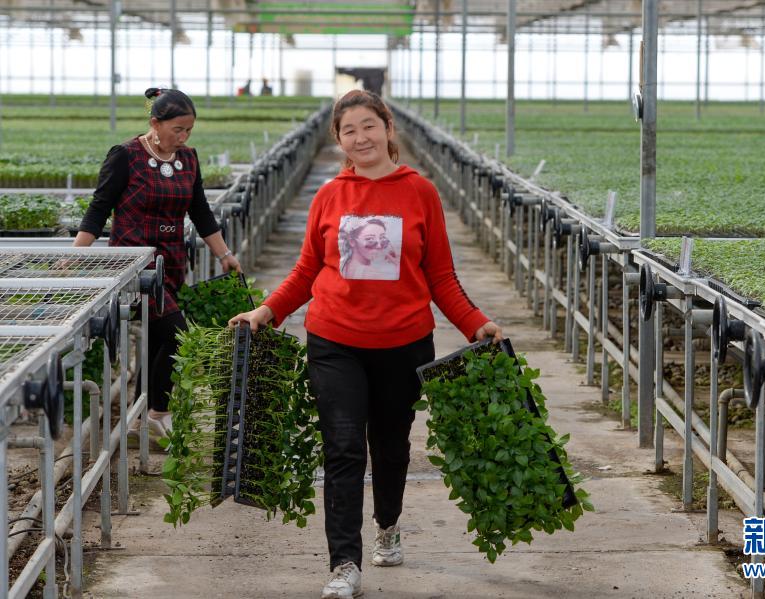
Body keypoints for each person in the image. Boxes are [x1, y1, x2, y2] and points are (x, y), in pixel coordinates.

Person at [228, 90, 502, 599]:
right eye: (349, 130)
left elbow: (441, 275)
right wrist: (267, 311)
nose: (361, 138)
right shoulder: (330, 195)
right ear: (339, 139)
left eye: (369, 126)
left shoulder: (420, 192)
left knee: (391, 447)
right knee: (343, 447)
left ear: (388, 128)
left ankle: (388, 525)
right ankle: (344, 564)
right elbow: (307, 269)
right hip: (335, 340)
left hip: (405, 342)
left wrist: (475, 324)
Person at [74, 87, 241, 439]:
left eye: (189, 130)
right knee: (179, 335)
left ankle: (140, 419)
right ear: (155, 123)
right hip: (135, 268)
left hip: (172, 263)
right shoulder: (126, 156)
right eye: (177, 129)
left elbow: (200, 212)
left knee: (156, 341)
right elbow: (99, 208)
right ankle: (157, 413)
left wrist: (224, 255)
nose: (183, 137)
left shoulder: (188, 159)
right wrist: (75, 256)